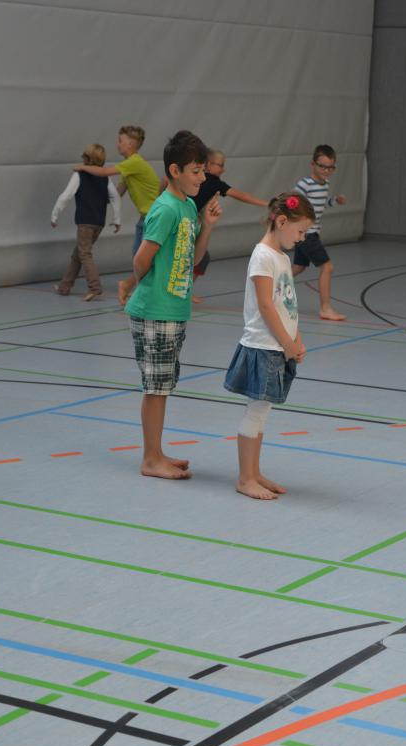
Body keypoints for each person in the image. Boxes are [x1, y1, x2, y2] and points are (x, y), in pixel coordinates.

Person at [125, 130, 222, 480]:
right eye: (196, 171)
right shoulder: (166, 209)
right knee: (156, 388)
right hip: (155, 311)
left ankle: (156, 453)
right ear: (174, 171)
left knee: (162, 386)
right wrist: (151, 288)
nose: (203, 177)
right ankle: (150, 459)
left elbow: (192, 260)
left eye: (203, 170)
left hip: (173, 311)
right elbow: (141, 260)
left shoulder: (187, 207)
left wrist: (207, 226)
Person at [224, 192, 314, 500]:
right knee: (256, 410)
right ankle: (245, 478)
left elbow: (287, 305)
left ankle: (254, 472)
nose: (302, 238)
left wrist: (296, 339)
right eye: (300, 231)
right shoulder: (262, 255)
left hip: (279, 346)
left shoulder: (282, 258)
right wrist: (287, 343)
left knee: (262, 411)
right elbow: (265, 305)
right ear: (282, 221)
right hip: (264, 346)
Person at [74, 125, 164, 305]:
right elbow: (116, 194)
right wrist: (92, 197)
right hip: (147, 217)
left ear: (130, 144)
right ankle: (135, 287)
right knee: (141, 257)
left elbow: (105, 172)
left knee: (144, 258)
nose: (118, 144)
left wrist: (83, 168)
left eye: (120, 141)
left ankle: (136, 289)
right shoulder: (129, 168)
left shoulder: (134, 162)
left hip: (154, 216)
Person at [190, 148, 268, 302]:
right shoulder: (212, 181)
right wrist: (266, 203)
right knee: (197, 258)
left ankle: (185, 290)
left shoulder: (206, 181)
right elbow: (241, 195)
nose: (223, 169)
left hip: (192, 223)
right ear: (208, 165)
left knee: (202, 258)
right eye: (220, 165)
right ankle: (183, 290)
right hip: (186, 224)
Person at [51, 143, 121, 301]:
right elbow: (115, 197)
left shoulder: (79, 175)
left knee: (84, 253)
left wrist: (54, 215)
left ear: (86, 157)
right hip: (99, 223)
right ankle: (64, 286)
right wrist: (117, 219)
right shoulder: (105, 177)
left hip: (85, 222)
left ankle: (95, 287)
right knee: (78, 254)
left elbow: (65, 196)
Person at [293, 144, 347, 321]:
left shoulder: (325, 184)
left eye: (330, 167)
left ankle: (270, 285)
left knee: (299, 267)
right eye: (322, 166)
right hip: (306, 234)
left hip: (311, 233)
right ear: (313, 164)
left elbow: (321, 204)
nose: (326, 171)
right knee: (327, 267)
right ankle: (325, 308)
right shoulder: (304, 184)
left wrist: (335, 200)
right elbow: (292, 204)